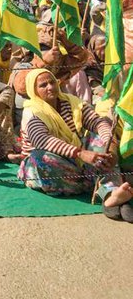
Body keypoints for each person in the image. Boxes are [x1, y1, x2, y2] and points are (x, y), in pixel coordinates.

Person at [17, 69, 133, 220]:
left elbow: (98, 122)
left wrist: (110, 147)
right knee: (41, 158)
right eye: (43, 85)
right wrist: (81, 154)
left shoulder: (71, 102)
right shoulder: (32, 112)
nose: (50, 87)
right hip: (51, 161)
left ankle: (110, 195)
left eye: (52, 82)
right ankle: (104, 187)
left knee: (99, 141)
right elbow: (42, 140)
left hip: (77, 160)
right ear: (34, 90)